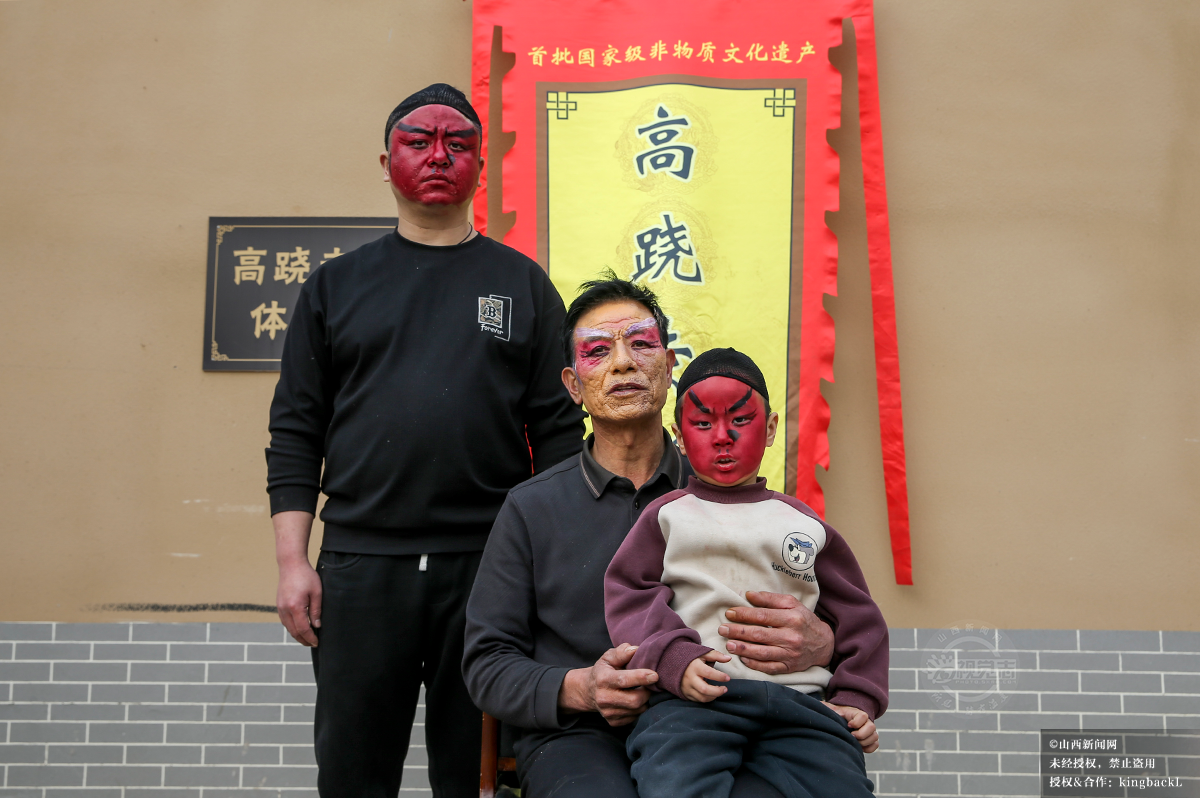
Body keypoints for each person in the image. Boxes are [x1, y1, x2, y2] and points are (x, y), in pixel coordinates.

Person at [266, 82, 585, 798]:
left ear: (481, 165)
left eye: (457, 144)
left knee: (476, 775)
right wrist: (293, 562)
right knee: (352, 774)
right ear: (387, 163)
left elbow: (560, 437)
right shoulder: (335, 287)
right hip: (358, 567)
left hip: (490, 570)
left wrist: (552, 570)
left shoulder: (523, 285)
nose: (438, 156)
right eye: (418, 142)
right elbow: (295, 431)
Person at [462, 276, 838, 798]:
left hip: (725, 721)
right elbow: (487, 662)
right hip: (582, 736)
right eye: (598, 351)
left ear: (669, 366)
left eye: (641, 343)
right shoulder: (531, 509)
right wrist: (581, 688)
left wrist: (823, 642)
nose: (622, 363)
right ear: (573, 385)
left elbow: (841, 618)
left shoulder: (740, 496)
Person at [604, 348, 888, 798]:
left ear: (771, 428)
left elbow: (859, 617)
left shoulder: (803, 524)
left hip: (802, 705)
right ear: (679, 437)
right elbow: (630, 594)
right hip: (695, 703)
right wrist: (675, 659)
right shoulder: (667, 516)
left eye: (740, 420)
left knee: (843, 786)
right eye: (702, 424)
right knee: (673, 783)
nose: (722, 437)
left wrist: (856, 700)